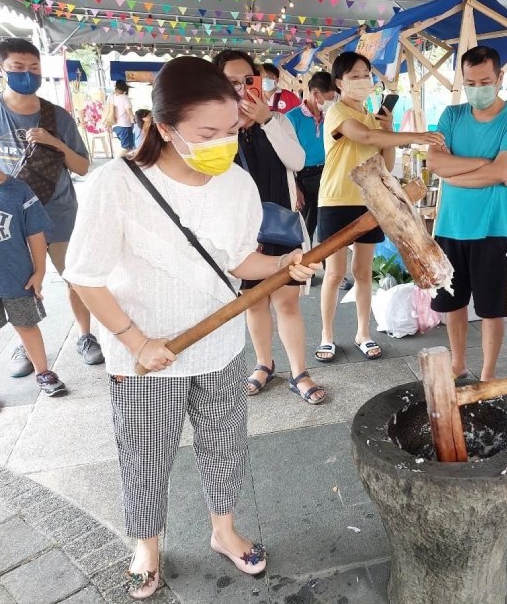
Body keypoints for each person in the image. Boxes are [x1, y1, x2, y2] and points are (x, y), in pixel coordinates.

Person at [63, 56, 317, 599]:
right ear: (164, 126)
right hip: (149, 355)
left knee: (225, 445)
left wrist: (279, 266)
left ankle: (222, 530)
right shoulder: (118, 185)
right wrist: (137, 341)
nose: (222, 143)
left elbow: (238, 259)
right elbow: (84, 277)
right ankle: (147, 544)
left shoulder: (238, 185)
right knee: (146, 453)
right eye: (207, 132)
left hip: (221, 348)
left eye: (231, 130)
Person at [314, 51, 444, 363]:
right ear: (340, 82)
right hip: (335, 201)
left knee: (362, 273)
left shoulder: (374, 119)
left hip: (368, 202)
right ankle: (327, 336)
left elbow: (384, 164)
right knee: (334, 273)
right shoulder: (336, 112)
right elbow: (364, 135)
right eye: (355, 75)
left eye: (366, 74)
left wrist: (388, 136)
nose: (362, 81)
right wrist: (415, 135)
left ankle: (363, 333)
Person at [212, 49, 325, 404]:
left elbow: (297, 160)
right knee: (254, 304)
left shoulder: (279, 119)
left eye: (249, 80)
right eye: (232, 82)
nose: (243, 87)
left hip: (279, 229)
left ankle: (299, 373)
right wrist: (231, 125)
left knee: (287, 303)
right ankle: (263, 364)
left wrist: (266, 120)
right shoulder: (214, 127)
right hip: (240, 233)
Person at [0, 38, 101, 378]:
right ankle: (25, 343)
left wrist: (54, 143)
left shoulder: (57, 116)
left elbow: (83, 167)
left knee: (76, 278)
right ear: (1, 69)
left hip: (58, 213)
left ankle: (86, 336)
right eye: (17, 68)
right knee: (17, 286)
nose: (27, 75)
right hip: (9, 221)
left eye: (33, 68)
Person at [427, 46, 507, 383]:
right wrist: (487, 163)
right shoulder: (451, 116)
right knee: (453, 303)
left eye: (485, 81)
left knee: (491, 307)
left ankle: (488, 375)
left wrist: (457, 174)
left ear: (500, 78)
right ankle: (458, 365)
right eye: (470, 82)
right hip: (450, 224)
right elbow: (435, 163)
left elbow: (504, 171)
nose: (477, 88)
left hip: (491, 228)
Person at [0, 153, 65, 397]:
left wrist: (40, 270)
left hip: (18, 277)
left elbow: (35, 233)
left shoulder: (18, 191)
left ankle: (43, 372)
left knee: (26, 325)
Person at [286, 71, 336, 244]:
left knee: (328, 224)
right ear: (315, 94)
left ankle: (327, 265)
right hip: (303, 177)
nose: (332, 102)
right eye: (330, 98)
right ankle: (304, 266)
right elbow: (285, 156)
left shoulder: (331, 116)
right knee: (306, 227)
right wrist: (295, 188)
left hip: (327, 173)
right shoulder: (292, 118)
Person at [108, 79, 134, 154]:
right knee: (127, 149)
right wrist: (134, 122)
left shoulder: (111, 97)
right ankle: (121, 162)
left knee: (125, 147)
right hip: (124, 126)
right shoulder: (125, 98)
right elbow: (130, 113)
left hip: (115, 126)